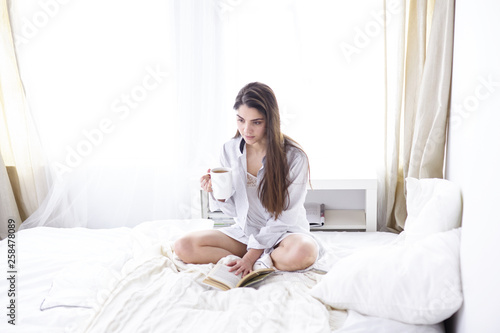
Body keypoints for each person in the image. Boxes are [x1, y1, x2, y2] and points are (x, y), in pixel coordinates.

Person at [174, 82, 321, 277]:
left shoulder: (294, 158)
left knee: (304, 252)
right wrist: (217, 192)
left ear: (271, 120)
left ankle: (258, 260)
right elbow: (233, 211)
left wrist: (250, 256)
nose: (246, 130)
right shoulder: (229, 149)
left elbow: (286, 217)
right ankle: (260, 260)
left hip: (285, 235)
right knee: (183, 246)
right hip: (246, 232)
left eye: (256, 122)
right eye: (241, 120)